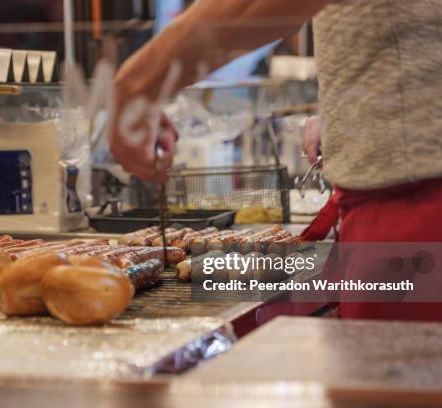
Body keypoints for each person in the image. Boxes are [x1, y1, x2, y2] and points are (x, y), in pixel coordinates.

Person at [109, 0, 442, 321]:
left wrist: (139, 83)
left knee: (391, 375)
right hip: (402, 202)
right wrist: (346, 114)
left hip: (416, 210)